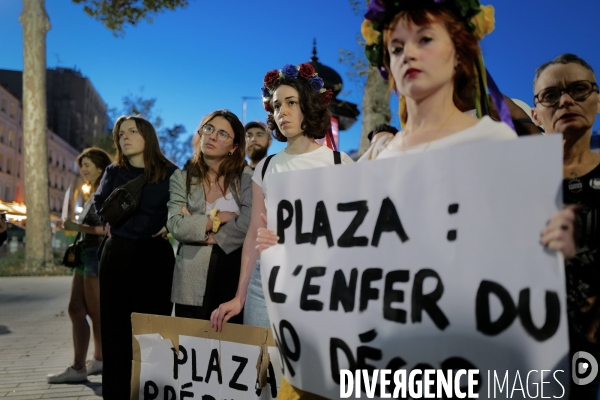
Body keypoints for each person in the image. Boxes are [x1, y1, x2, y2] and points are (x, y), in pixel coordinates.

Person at [210, 62, 353, 331]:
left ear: (309, 105)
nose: (282, 112)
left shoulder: (339, 163)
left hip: (320, 283)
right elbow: (254, 232)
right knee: (264, 368)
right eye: (276, 106)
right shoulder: (265, 167)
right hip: (265, 284)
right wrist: (240, 296)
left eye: (291, 103)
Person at [531, 53, 600, 400]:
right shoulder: (512, 182)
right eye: (551, 96)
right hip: (523, 349)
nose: (567, 101)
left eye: (580, 89)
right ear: (535, 114)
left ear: (598, 100)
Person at [94, 115, 177, 398]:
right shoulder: (113, 171)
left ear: (148, 136)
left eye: (132, 131)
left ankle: (151, 393)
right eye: (120, 134)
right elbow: (99, 205)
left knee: (153, 333)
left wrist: (170, 224)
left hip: (154, 257)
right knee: (115, 334)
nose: (124, 137)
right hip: (117, 254)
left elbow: (185, 207)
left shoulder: (171, 173)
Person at [167, 110, 253, 323]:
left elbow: (249, 222)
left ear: (234, 147)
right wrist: (218, 218)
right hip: (190, 277)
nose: (213, 136)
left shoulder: (247, 177)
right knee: (191, 346)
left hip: (233, 272)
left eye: (223, 134)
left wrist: (202, 232)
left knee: (230, 347)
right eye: (209, 128)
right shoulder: (182, 177)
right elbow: (176, 225)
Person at [47, 148, 111, 384]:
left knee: (96, 314)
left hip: (95, 255)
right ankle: (85, 365)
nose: (83, 169)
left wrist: (76, 228)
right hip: (84, 255)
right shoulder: (92, 193)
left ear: (100, 166)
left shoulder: (106, 191)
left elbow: (107, 229)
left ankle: (92, 362)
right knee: (76, 310)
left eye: (88, 164)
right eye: (81, 165)